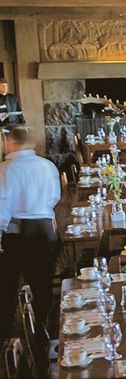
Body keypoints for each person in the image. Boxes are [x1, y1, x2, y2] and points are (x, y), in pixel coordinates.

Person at [0, 127, 59, 338]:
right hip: (43, 229)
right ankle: (43, 327)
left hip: (16, 233)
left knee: (7, 285)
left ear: (12, 142)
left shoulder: (5, 169)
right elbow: (54, 197)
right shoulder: (47, 166)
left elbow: (2, 206)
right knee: (42, 282)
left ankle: (8, 333)